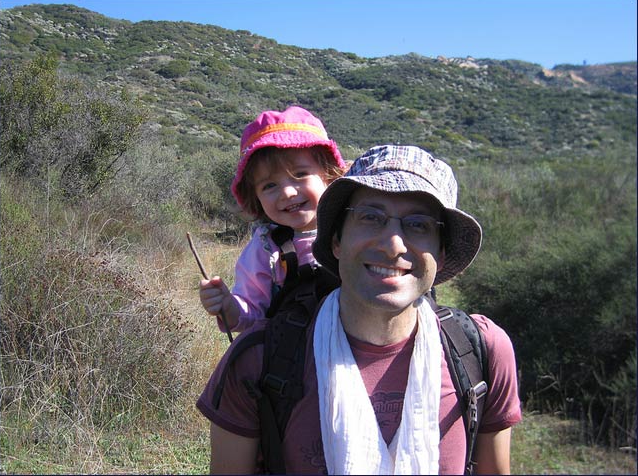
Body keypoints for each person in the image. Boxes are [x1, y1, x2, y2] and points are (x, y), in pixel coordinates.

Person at [196, 144, 522, 474]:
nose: (393, 244)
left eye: (419, 224)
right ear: (336, 240)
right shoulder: (257, 361)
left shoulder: (481, 352)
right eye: (370, 217)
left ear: (440, 250)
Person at [199, 106, 347, 334]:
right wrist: (228, 307)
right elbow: (251, 314)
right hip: (296, 361)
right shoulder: (267, 249)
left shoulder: (353, 228)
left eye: (300, 175)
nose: (287, 193)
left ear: (329, 175)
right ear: (256, 197)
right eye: (269, 185)